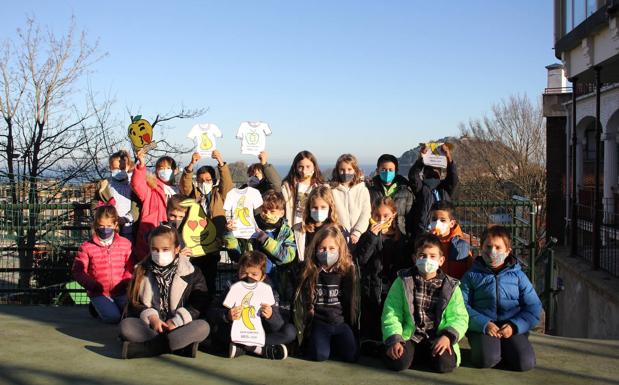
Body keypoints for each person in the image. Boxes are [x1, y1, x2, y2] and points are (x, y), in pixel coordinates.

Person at [381, 233, 468, 373]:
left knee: (444, 365)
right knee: (397, 362)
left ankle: (422, 355)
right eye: (422, 255)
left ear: (441, 260)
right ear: (415, 258)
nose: (427, 260)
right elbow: (392, 312)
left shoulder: (451, 286)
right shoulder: (403, 281)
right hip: (410, 335)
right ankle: (399, 351)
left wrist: (447, 337)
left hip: (437, 337)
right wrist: (395, 338)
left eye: (433, 256)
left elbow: (459, 317)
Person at [120, 225, 210, 359]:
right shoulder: (140, 270)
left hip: (180, 326)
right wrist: (153, 318)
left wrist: (176, 321)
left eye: (165, 249)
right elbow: (134, 304)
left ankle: (150, 348)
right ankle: (179, 347)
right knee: (126, 326)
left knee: (203, 327)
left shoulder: (193, 272)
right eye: (155, 249)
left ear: (177, 249)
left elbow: (199, 303)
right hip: (151, 327)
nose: (159, 253)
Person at [460, 225, 542, 372]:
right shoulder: (471, 276)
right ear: (481, 247)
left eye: (498, 247)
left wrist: (514, 326)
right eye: (488, 246)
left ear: (508, 251)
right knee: (485, 360)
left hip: (511, 324)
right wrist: (483, 324)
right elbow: (461, 306)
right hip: (483, 326)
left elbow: (533, 307)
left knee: (525, 363)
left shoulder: (519, 276)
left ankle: (507, 346)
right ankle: (493, 348)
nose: (492, 252)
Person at [208, 251, 296, 360]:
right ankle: (261, 350)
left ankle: (243, 348)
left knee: (290, 331)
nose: (248, 277)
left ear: (263, 277)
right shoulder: (232, 286)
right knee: (217, 329)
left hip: (262, 333)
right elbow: (212, 311)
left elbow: (278, 326)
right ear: (238, 272)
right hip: (237, 331)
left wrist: (271, 316)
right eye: (244, 273)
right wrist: (227, 315)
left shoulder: (269, 291)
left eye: (254, 274)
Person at [294, 225, 360, 362]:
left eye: (332, 249)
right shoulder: (310, 271)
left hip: (340, 322)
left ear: (340, 249)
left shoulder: (347, 271)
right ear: (316, 249)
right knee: (320, 356)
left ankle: (335, 342)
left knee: (352, 356)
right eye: (322, 248)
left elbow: (351, 303)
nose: (327, 252)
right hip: (319, 322)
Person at [223, 190, 297, 312]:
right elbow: (237, 255)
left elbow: (288, 256)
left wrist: (265, 240)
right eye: (264, 210)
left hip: (277, 280)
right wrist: (230, 233)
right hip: (253, 280)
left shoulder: (286, 232)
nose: (267, 214)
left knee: (274, 312)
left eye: (272, 211)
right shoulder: (250, 228)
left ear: (282, 212)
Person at [354, 197, 410, 342]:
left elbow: (402, 264)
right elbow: (360, 260)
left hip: (391, 288)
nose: (381, 220)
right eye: (377, 216)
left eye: (385, 216)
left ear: (393, 215)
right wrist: (371, 237)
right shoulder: (367, 236)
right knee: (371, 322)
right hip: (371, 288)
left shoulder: (401, 239)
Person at [179, 150, 233, 297]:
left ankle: (208, 304)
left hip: (213, 243)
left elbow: (227, 183)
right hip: (195, 244)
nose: (204, 183)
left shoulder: (218, 194)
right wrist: (191, 164)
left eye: (208, 180)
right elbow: (185, 185)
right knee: (194, 277)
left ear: (214, 180)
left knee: (210, 277)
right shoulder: (194, 194)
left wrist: (220, 162)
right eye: (201, 180)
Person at [72, 205, 133, 324]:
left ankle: (106, 308)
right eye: (101, 226)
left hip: (121, 290)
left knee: (130, 315)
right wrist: (92, 285)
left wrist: (126, 282)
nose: (105, 229)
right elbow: (78, 271)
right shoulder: (86, 247)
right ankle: (97, 307)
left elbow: (130, 266)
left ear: (115, 225)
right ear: (96, 225)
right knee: (113, 318)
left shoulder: (125, 244)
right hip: (99, 292)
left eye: (109, 226)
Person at [131, 149, 180, 261]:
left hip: (174, 233)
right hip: (152, 234)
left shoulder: (179, 190)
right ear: (156, 171)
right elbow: (136, 184)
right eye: (161, 168)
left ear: (175, 170)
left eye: (168, 168)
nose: (164, 171)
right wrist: (141, 165)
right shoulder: (151, 188)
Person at [408, 144, 459, 238]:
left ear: (440, 174)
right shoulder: (421, 188)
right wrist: (421, 159)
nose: (433, 173)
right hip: (424, 233)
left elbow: (453, 178)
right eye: (429, 171)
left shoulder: (444, 189)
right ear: (424, 174)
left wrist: (448, 157)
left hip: (444, 232)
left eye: (436, 172)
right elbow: (413, 176)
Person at [92, 150, 140, 242]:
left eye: (122, 168)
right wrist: (101, 217)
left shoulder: (133, 185)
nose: (119, 171)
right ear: (110, 167)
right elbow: (95, 204)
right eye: (115, 168)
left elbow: (137, 206)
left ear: (128, 166)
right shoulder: (105, 185)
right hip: (108, 229)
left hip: (129, 227)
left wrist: (127, 218)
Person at [366, 154, 414, 238]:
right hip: (376, 233)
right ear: (378, 170)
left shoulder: (405, 190)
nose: (387, 172)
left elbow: (410, 215)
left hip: (399, 235)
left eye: (390, 170)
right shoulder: (370, 189)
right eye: (383, 169)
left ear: (396, 171)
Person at [293, 185, 343, 262]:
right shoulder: (298, 230)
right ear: (309, 208)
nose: (319, 211)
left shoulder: (338, 230)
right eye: (315, 208)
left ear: (330, 207)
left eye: (323, 207)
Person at [330, 154, 371, 245]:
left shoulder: (363, 190)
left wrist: (357, 232)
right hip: (337, 237)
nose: (346, 173)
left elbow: (365, 213)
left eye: (349, 169)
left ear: (355, 170)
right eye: (342, 170)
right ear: (337, 171)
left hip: (359, 238)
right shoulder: (331, 190)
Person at [427, 201, 471, 279]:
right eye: (434, 219)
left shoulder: (462, 245)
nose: (437, 223)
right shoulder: (425, 243)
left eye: (443, 220)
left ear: (451, 224)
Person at [281, 150, 325, 227]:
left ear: (314, 167)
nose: (304, 171)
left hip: (314, 227)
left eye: (308, 166)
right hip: (294, 228)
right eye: (300, 167)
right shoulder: (289, 186)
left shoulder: (320, 187)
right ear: (295, 168)